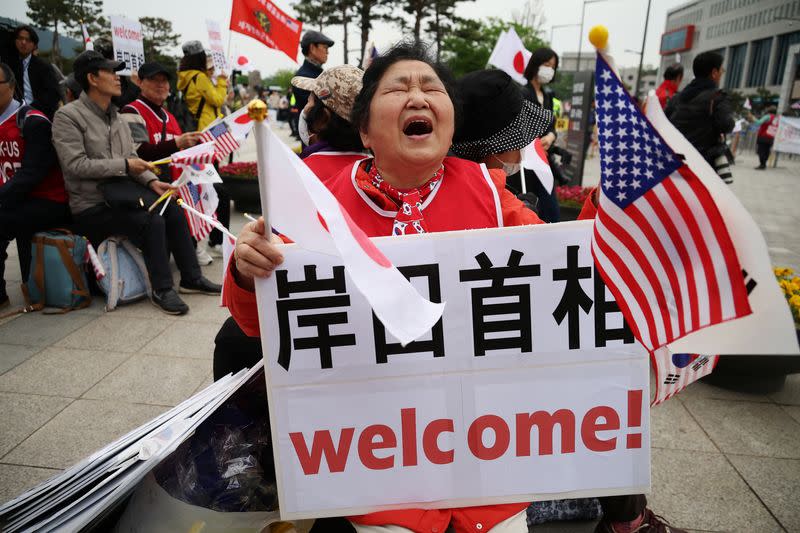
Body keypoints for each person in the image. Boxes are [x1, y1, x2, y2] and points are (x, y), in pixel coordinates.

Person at [225, 40, 555, 533]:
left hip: (484, 450)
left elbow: (562, 273)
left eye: (431, 87)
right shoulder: (317, 203)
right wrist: (247, 268)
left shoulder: (491, 196)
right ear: (364, 128)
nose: (417, 97)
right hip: (369, 454)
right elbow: (253, 324)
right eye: (398, 88)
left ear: (450, 121)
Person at [52, 50, 220, 316]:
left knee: (172, 207)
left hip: (122, 195)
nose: (119, 79)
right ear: (93, 78)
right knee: (151, 220)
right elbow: (76, 165)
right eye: (111, 73)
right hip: (92, 203)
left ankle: (191, 278)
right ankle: (162, 288)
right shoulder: (68, 117)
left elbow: (131, 156)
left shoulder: (115, 116)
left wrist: (153, 182)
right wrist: (126, 166)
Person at [0, 62, 70, 306]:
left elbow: (32, 173)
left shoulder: (32, 121)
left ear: (11, 86)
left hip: (47, 199)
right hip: (14, 199)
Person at [177, 41, 231, 261]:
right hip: (204, 140)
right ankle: (214, 239)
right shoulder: (198, 78)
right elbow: (218, 99)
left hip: (199, 139)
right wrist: (221, 82)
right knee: (213, 191)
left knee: (208, 189)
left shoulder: (186, 78)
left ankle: (211, 239)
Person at [120, 62, 203, 176]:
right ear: (139, 82)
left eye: (164, 80)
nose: (160, 85)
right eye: (153, 79)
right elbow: (139, 154)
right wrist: (177, 143)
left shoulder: (170, 117)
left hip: (174, 187)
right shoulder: (131, 111)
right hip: (150, 187)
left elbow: (180, 154)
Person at [666, 51, 734, 184]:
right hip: (704, 163)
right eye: (721, 70)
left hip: (677, 161)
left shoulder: (677, 98)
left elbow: (665, 124)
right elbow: (727, 125)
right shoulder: (717, 97)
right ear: (714, 73)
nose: (722, 73)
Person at [292, 64, 366, 180]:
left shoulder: (301, 174)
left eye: (309, 102)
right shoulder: (374, 172)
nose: (306, 108)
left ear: (322, 119)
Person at [521, 47, 563, 222]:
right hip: (526, 161)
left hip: (544, 159)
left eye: (553, 67)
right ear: (536, 64)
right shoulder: (522, 92)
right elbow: (521, 125)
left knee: (550, 208)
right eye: (546, 65)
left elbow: (551, 125)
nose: (549, 70)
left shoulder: (548, 95)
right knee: (531, 207)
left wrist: (551, 136)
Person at [9, 25, 60, 119]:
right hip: (13, 115)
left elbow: (54, 94)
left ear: (34, 45)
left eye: (28, 40)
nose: (23, 42)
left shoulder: (44, 66)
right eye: (20, 38)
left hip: (39, 115)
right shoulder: (9, 66)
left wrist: (30, 109)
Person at [292, 31, 334, 141]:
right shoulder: (303, 78)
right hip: (316, 141)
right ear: (312, 48)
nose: (327, 52)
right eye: (325, 47)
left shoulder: (318, 74)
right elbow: (319, 111)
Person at [753, 105, 778, 170]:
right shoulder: (776, 118)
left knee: (761, 151)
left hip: (763, 136)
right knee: (767, 151)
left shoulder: (767, 116)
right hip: (771, 137)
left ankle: (762, 164)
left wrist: (752, 117)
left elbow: (759, 122)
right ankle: (763, 164)